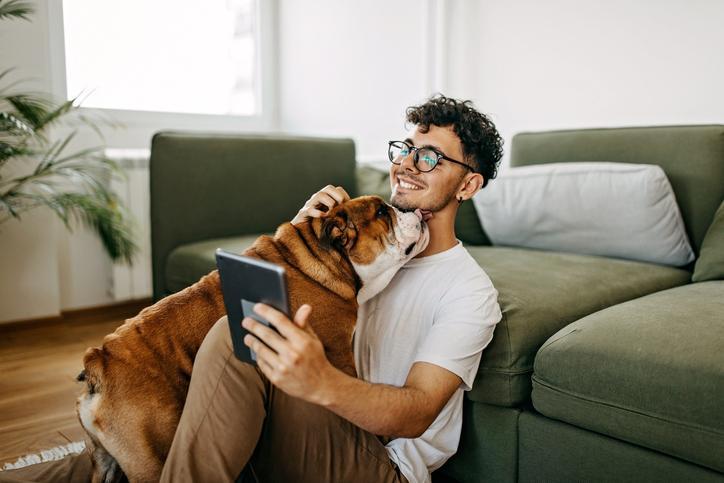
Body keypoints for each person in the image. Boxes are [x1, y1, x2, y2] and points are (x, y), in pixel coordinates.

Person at [0, 94, 504, 483]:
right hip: (295, 430)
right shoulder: (361, 257)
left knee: (237, 336)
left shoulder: (467, 291)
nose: (406, 165)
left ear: (468, 185)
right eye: (405, 150)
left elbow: (416, 413)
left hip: (380, 465)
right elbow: (274, 301)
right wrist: (305, 243)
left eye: (431, 158)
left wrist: (320, 382)